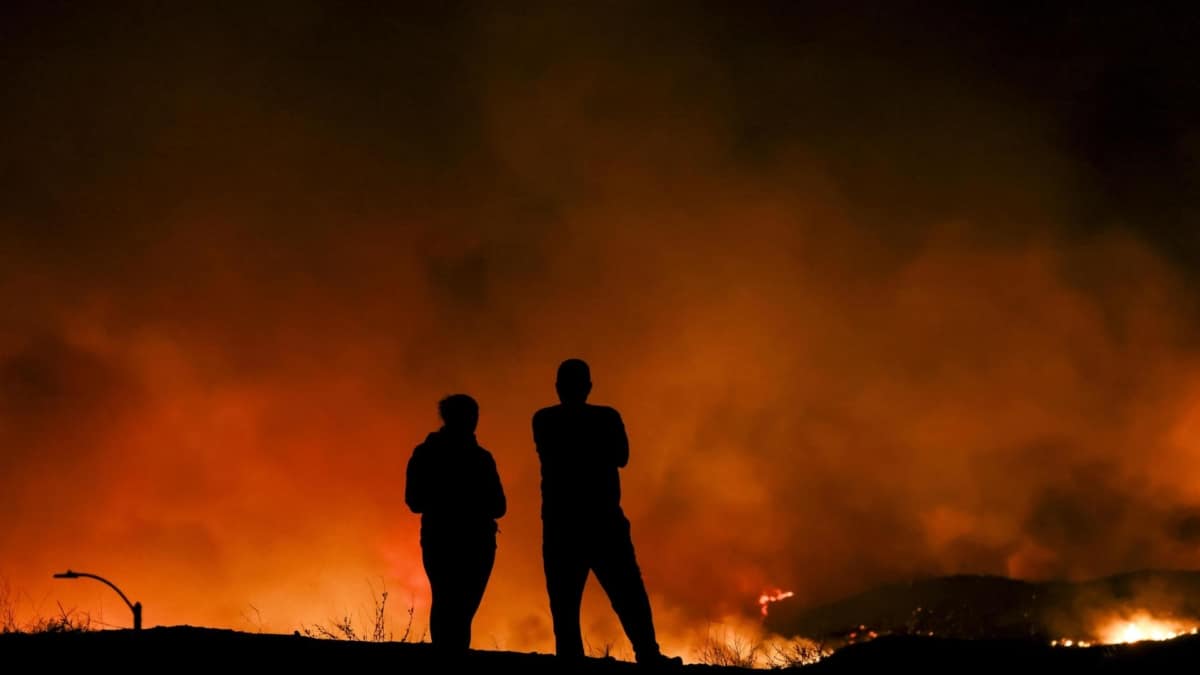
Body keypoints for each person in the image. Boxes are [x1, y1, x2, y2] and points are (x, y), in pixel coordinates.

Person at [532, 359, 680, 667]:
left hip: (562, 523)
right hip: (603, 521)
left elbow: (556, 455)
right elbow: (621, 456)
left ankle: (571, 659)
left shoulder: (545, 420)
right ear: (588, 387)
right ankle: (648, 655)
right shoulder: (606, 418)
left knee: (565, 600)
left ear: (558, 387)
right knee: (628, 593)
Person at [406, 394, 506, 652]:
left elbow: (414, 501)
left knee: (446, 602)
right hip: (475, 542)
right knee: (461, 607)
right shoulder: (481, 459)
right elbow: (499, 506)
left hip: (440, 538)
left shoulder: (425, 453)